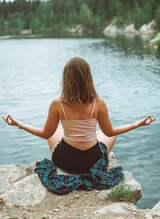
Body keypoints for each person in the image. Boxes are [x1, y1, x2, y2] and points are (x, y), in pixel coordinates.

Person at [2, 57, 156, 193]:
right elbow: (109, 132)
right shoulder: (98, 103)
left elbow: (45, 134)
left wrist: (19, 124)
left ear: (66, 79)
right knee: (105, 133)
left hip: (65, 160)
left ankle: (86, 138)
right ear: (88, 78)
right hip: (91, 161)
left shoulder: (57, 104)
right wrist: (137, 124)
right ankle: (90, 137)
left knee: (57, 130)